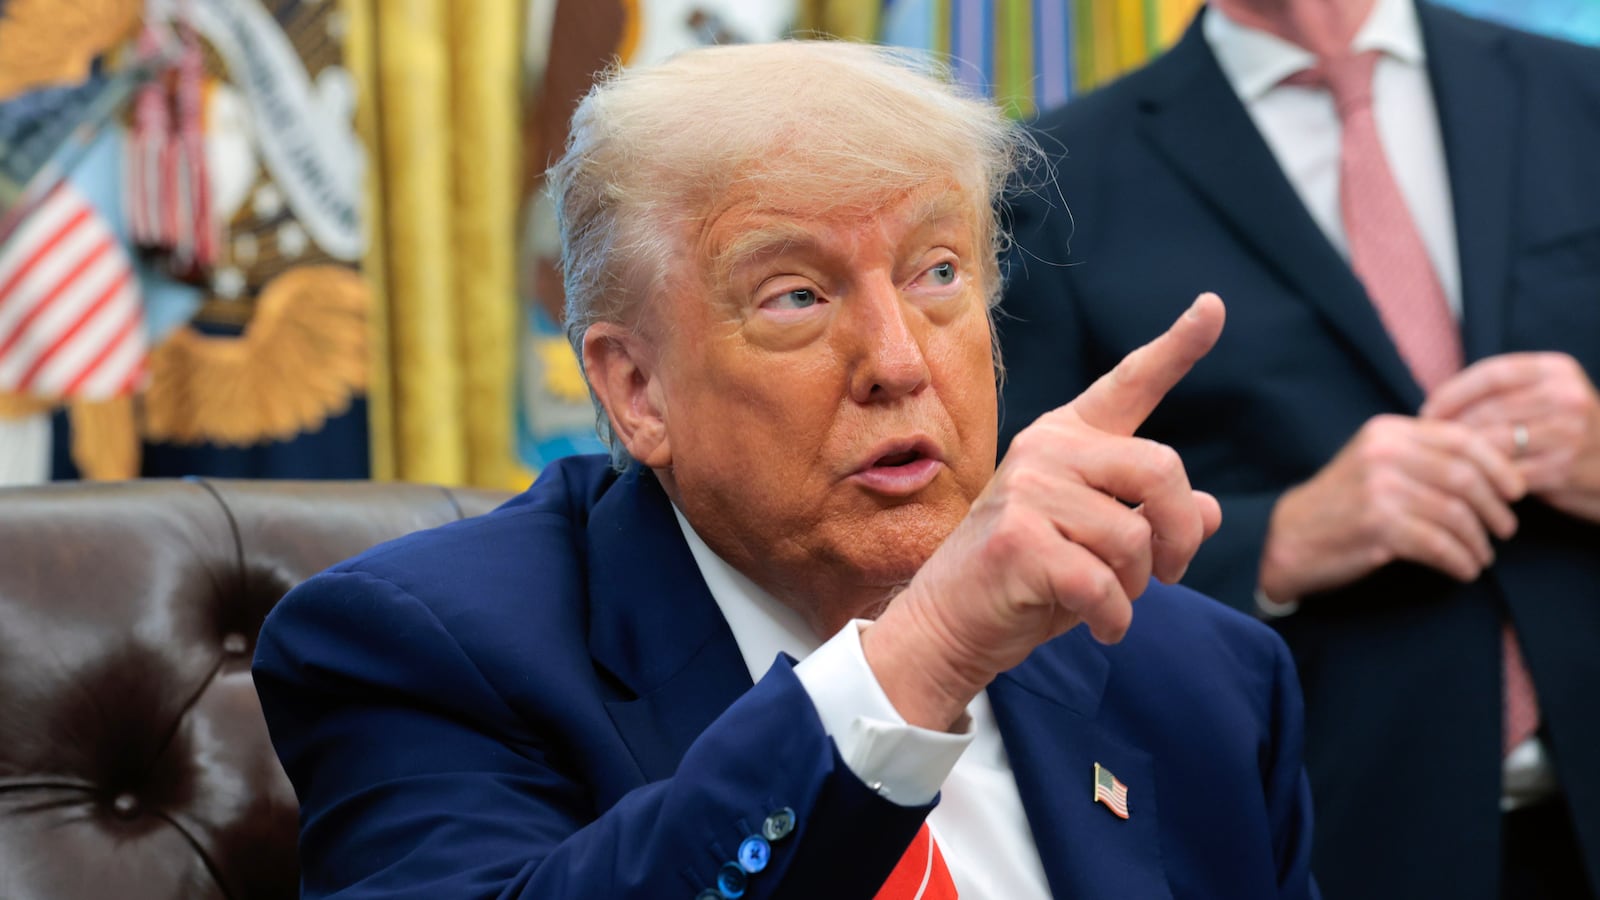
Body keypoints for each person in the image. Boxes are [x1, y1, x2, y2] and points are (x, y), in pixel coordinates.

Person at [254, 40, 1318, 899]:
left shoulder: (1197, 679)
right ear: (636, 392)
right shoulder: (425, 654)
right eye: (795, 297)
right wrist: (923, 657)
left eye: (937, 273)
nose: (899, 364)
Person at [997, 0, 1600, 897]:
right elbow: (1017, 548)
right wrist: (1279, 539)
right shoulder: (1059, 183)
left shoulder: (1577, 91)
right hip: (1338, 834)